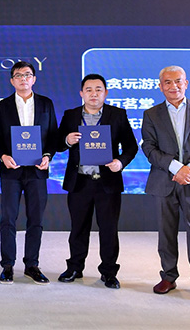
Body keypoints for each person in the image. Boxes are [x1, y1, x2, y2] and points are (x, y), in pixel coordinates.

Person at [141, 66, 190, 302]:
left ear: (186, 83)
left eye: (178, 81)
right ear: (160, 86)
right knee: (166, 232)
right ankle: (168, 276)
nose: (173, 86)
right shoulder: (151, 114)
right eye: (167, 82)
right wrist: (176, 168)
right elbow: (149, 148)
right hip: (164, 181)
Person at [57, 73, 138, 289]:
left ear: (106, 93)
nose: (94, 94)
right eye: (89, 90)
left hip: (107, 182)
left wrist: (120, 162)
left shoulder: (117, 115)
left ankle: (109, 272)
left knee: (109, 229)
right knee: (78, 228)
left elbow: (131, 146)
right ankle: (75, 267)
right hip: (80, 182)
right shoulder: (71, 115)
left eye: (98, 89)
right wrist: (67, 140)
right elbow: (57, 143)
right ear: (81, 93)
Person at [0, 61, 58, 285]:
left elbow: (53, 135)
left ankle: (32, 264)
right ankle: (7, 265)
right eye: (18, 75)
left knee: (36, 219)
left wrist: (48, 156)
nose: (23, 79)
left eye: (27, 75)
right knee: (8, 219)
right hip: (11, 170)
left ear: (34, 79)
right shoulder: (3, 106)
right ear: (12, 81)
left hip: (37, 170)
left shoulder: (46, 104)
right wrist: (3, 156)